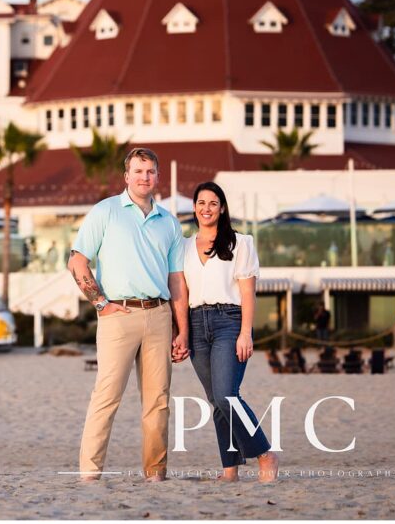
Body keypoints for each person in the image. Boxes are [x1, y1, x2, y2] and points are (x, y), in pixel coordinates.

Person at [67, 147, 188, 483]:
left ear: (157, 176)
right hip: (117, 315)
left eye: (150, 172)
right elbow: (77, 261)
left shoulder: (169, 223)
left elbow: (176, 280)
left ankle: (155, 474)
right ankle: (89, 474)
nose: (144, 177)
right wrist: (101, 302)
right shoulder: (105, 212)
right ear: (126, 176)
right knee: (106, 398)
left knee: (158, 402)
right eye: (138, 171)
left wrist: (183, 330)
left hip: (159, 315)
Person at [173, 181, 279, 483]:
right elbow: (179, 292)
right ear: (194, 208)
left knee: (226, 395)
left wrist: (246, 332)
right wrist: (180, 332)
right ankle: (229, 470)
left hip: (228, 322)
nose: (207, 208)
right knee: (215, 399)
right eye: (201, 202)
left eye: (213, 203)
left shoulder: (240, 243)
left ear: (222, 209)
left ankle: (264, 454)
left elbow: (248, 293)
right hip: (195, 325)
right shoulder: (182, 247)